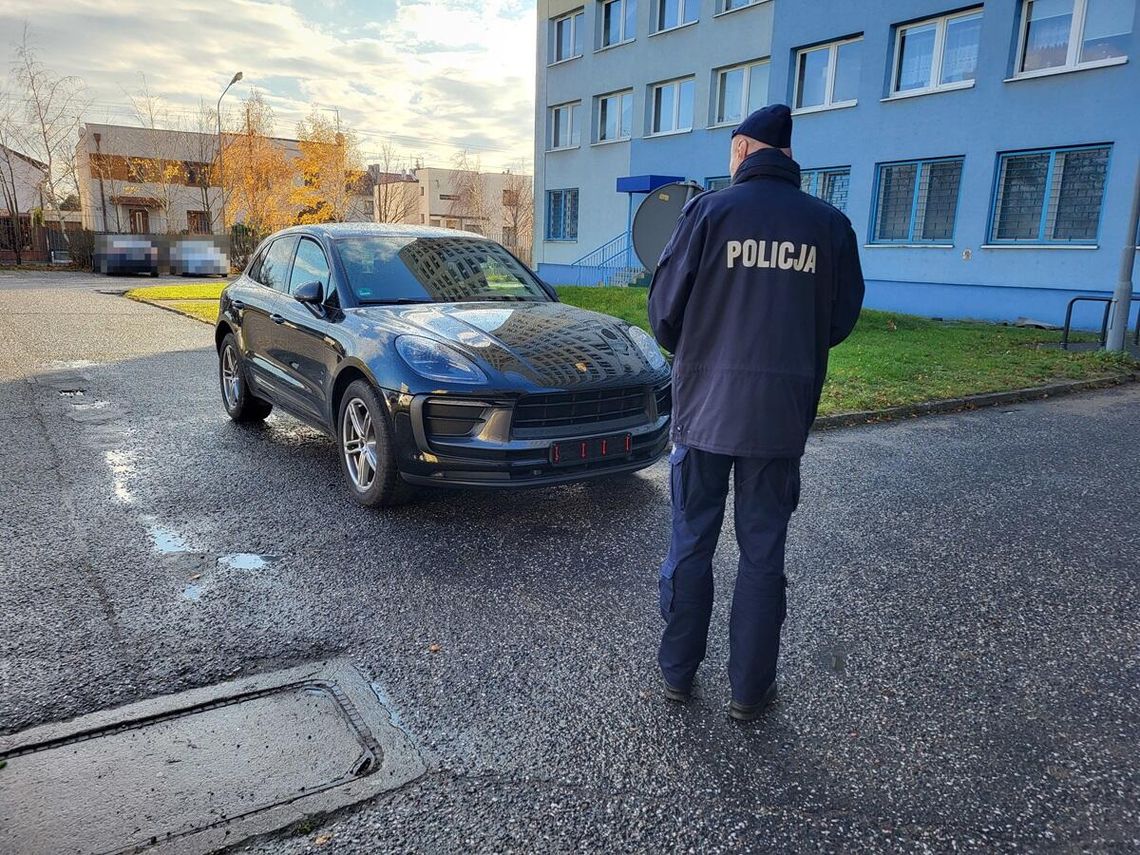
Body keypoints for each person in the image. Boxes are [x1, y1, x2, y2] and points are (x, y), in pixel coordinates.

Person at [648, 103, 865, 721]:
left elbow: (664, 316)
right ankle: (749, 691)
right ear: (787, 155)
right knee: (763, 552)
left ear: (743, 151)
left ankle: (679, 676)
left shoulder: (708, 213)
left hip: (705, 413)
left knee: (691, 541)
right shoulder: (829, 225)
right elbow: (839, 319)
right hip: (779, 417)